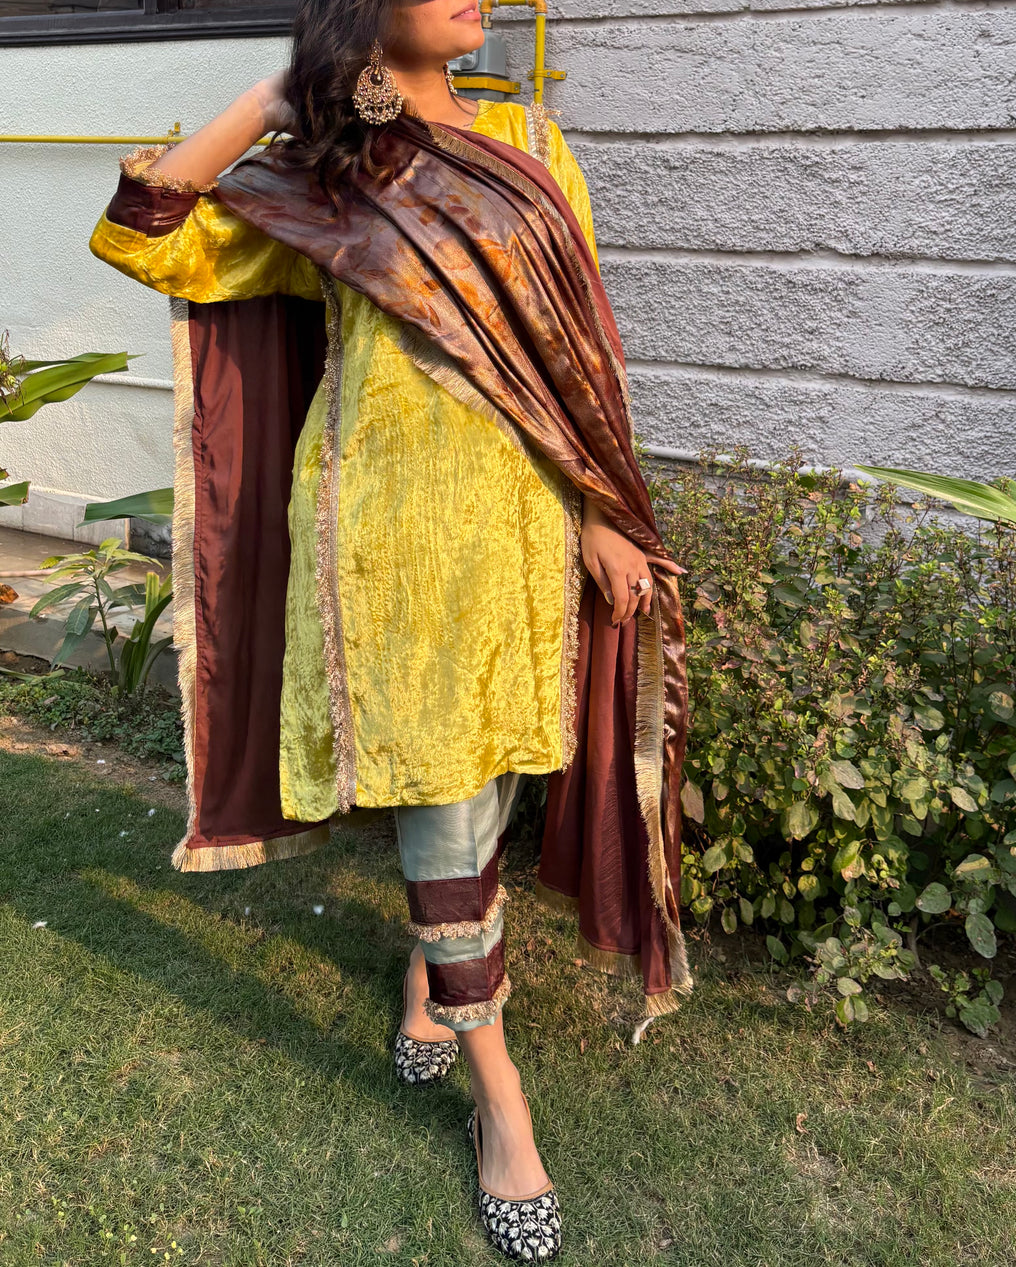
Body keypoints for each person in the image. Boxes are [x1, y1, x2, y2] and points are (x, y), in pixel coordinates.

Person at [88, 0, 692, 1258]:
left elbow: (572, 355)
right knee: (436, 785)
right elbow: (144, 238)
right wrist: (276, 94)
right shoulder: (324, 166)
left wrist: (597, 508)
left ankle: (428, 976)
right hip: (386, 531)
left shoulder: (527, 138)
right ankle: (504, 1112)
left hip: (521, 524)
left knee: (494, 770)